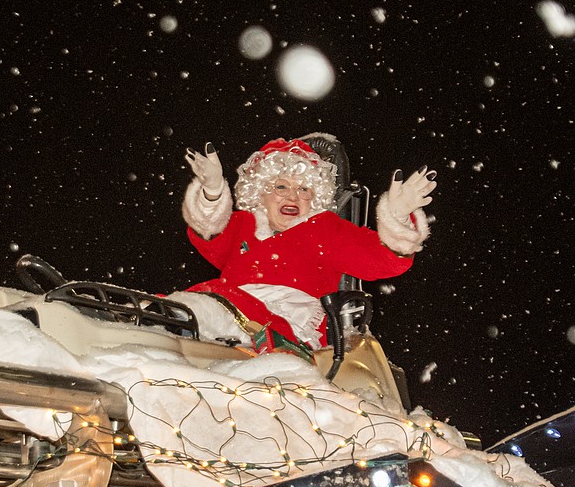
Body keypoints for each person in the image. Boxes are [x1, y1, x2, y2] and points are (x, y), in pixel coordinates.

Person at [172, 136, 435, 354]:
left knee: (197, 310)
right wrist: (213, 192)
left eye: (304, 189)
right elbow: (207, 230)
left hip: (283, 330)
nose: (293, 196)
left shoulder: (324, 229)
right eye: (281, 186)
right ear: (260, 192)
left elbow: (384, 259)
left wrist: (399, 216)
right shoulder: (243, 225)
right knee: (176, 310)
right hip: (224, 312)